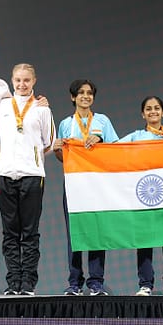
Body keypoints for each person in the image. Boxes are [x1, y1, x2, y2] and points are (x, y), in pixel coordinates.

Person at [54, 79, 119, 296]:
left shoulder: (102, 121)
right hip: (74, 185)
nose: (85, 96)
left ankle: (96, 283)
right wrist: (57, 149)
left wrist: (100, 140)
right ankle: (74, 283)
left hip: (97, 184)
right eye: (81, 93)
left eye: (89, 93)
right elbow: (63, 157)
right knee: (75, 234)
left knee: (97, 233)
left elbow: (116, 150)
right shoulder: (66, 124)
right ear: (73, 97)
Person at [0, 63, 55, 296]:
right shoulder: (2, 106)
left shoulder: (42, 109)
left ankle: (28, 283)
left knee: (29, 232)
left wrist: (33, 156)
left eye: (26, 80)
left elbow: (49, 142)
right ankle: (13, 282)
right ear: (12, 81)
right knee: (10, 232)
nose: (22, 84)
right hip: (5, 174)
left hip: (32, 175)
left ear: (34, 81)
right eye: (18, 80)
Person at [118, 96, 163, 296]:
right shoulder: (135, 137)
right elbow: (111, 150)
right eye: (148, 109)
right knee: (144, 240)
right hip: (144, 194)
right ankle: (145, 284)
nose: (153, 111)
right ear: (143, 114)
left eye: (156, 108)